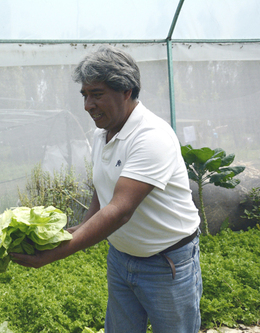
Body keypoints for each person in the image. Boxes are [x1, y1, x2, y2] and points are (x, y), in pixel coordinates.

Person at [11, 46, 202, 333]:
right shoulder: (103, 133)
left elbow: (119, 210)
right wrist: (74, 231)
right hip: (121, 257)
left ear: (126, 90)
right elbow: (103, 192)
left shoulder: (152, 137)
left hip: (166, 264)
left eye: (97, 94)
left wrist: (57, 252)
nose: (88, 105)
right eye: (85, 95)